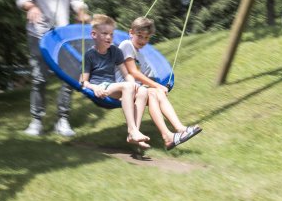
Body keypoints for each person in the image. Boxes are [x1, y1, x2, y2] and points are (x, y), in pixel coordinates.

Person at [116, 17, 202, 150]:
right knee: (155, 91)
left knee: (156, 93)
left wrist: (157, 87)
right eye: (140, 36)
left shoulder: (141, 57)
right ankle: (169, 134)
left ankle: (177, 130)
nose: (143, 40)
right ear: (131, 32)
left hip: (137, 89)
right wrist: (157, 86)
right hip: (124, 88)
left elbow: (146, 77)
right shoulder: (126, 45)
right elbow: (133, 72)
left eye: (146, 38)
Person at [16, 0, 90, 136]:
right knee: (39, 78)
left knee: (68, 78)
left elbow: (76, 1)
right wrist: (31, 7)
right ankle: (36, 121)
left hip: (61, 37)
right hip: (38, 35)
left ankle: (62, 120)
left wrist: (81, 11)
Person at [82, 14, 150, 147]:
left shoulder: (115, 52)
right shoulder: (89, 55)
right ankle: (132, 130)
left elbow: (126, 74)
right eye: (105, 33)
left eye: (111, 34)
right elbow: (84, 82)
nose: (109, 37)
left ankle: (135, 134)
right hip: (100, 87)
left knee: (142, 91)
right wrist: (95, 88)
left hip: (112, 86)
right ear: (94, 35)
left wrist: (134, 84)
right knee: (128, 87)